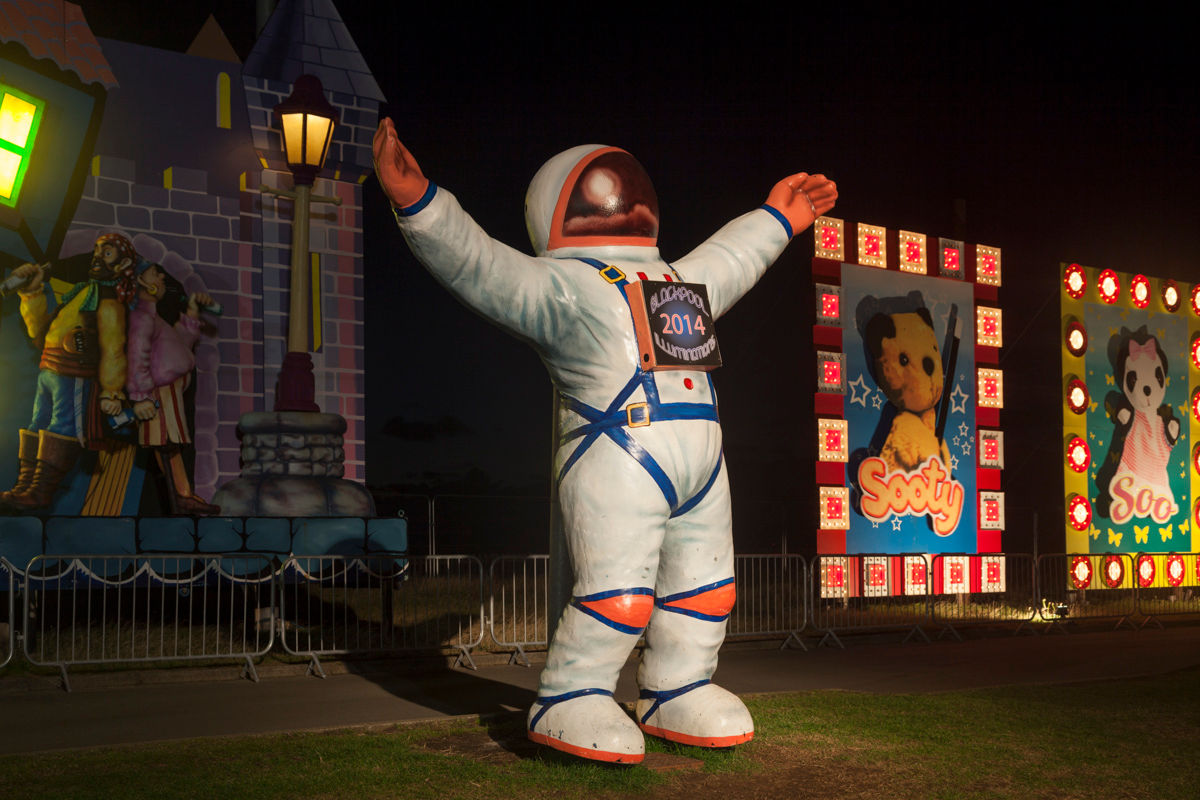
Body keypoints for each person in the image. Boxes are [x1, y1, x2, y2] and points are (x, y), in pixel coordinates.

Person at [374, 118, 836, 763]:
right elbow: (480, 264)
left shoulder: (677, 280)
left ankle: (680, 684)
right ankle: (572, 692)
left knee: (706, 587)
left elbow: (732, 257)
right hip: (617, 454)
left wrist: (775, 218)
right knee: (617, 589)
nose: (620, 200)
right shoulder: (560, 287)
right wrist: (422, 203)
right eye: (602, 192)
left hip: (700, 464)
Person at [0, 233, 134, 511]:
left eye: (107, 253)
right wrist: (33, 291)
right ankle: (26, 484)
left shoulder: (109, 303)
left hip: (74, 375)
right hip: (49, 369)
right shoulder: (82, 293)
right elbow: (41, 332)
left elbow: (113, 349)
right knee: (38, 425)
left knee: (61, 427)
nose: (97, 257)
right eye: (97, 250)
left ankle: (41, 490)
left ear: (122, 264)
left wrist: (112, 391)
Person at [125, 260, 219, 515]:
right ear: (143, 282)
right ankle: (179, 497)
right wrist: (141, 396)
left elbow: (177, 345)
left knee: (172, 444)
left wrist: (191, 313)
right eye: (156, 274)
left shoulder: (155, 319)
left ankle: (182, 494)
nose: (163, 279)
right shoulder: (142, 318)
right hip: (159, 393)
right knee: (166, 443)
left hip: (171, 393)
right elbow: (137, 357)